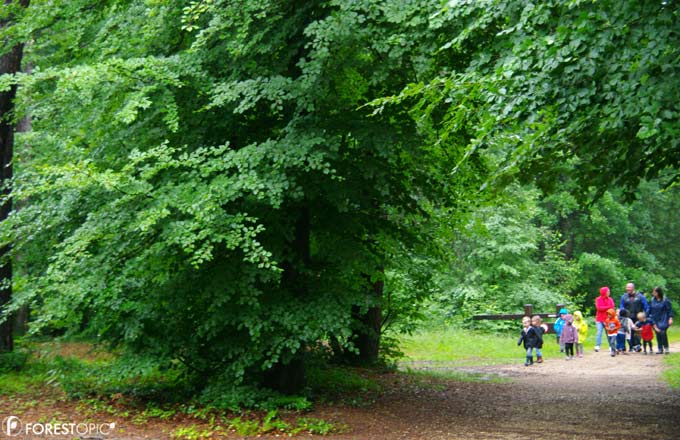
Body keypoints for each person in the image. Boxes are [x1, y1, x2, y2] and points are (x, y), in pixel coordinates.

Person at [619, 282, 649, 351]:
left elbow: (646, 306)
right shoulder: (624, 297)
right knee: (629, 332)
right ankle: (631, 346)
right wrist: (622, 314)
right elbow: (621, 306)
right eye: (627, 287)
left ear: (633, 288)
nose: (627, 289)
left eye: (629, 287)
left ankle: (637, 345)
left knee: (637, 331)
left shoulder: (640, 296)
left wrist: (645, 316)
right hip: (628, 318)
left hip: (638, 317)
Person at [649, 286, 674, 354]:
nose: (653, 293)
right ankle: (660, 348)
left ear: (658, 292)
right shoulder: (652, 300)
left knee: (663, 332)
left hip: (664, 319)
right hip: (655, 318)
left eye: (654, 291)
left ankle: (666, 348)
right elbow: (650, 310)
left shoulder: (665, 300)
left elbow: (670, 310)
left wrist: (670, 318)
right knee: (658, 333)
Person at [595, 287, 615, 352]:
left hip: (608, 319)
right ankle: (597, 345)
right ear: (604, 292)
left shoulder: (610, 299)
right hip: (599, 319)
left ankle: (610, 346)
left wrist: (605, 308)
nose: (609, 293)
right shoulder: (598, 299)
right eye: (608, 291)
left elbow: (612, 307)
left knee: (609, 332)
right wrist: (608, 307)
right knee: (599, 332)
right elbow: (599, 308)